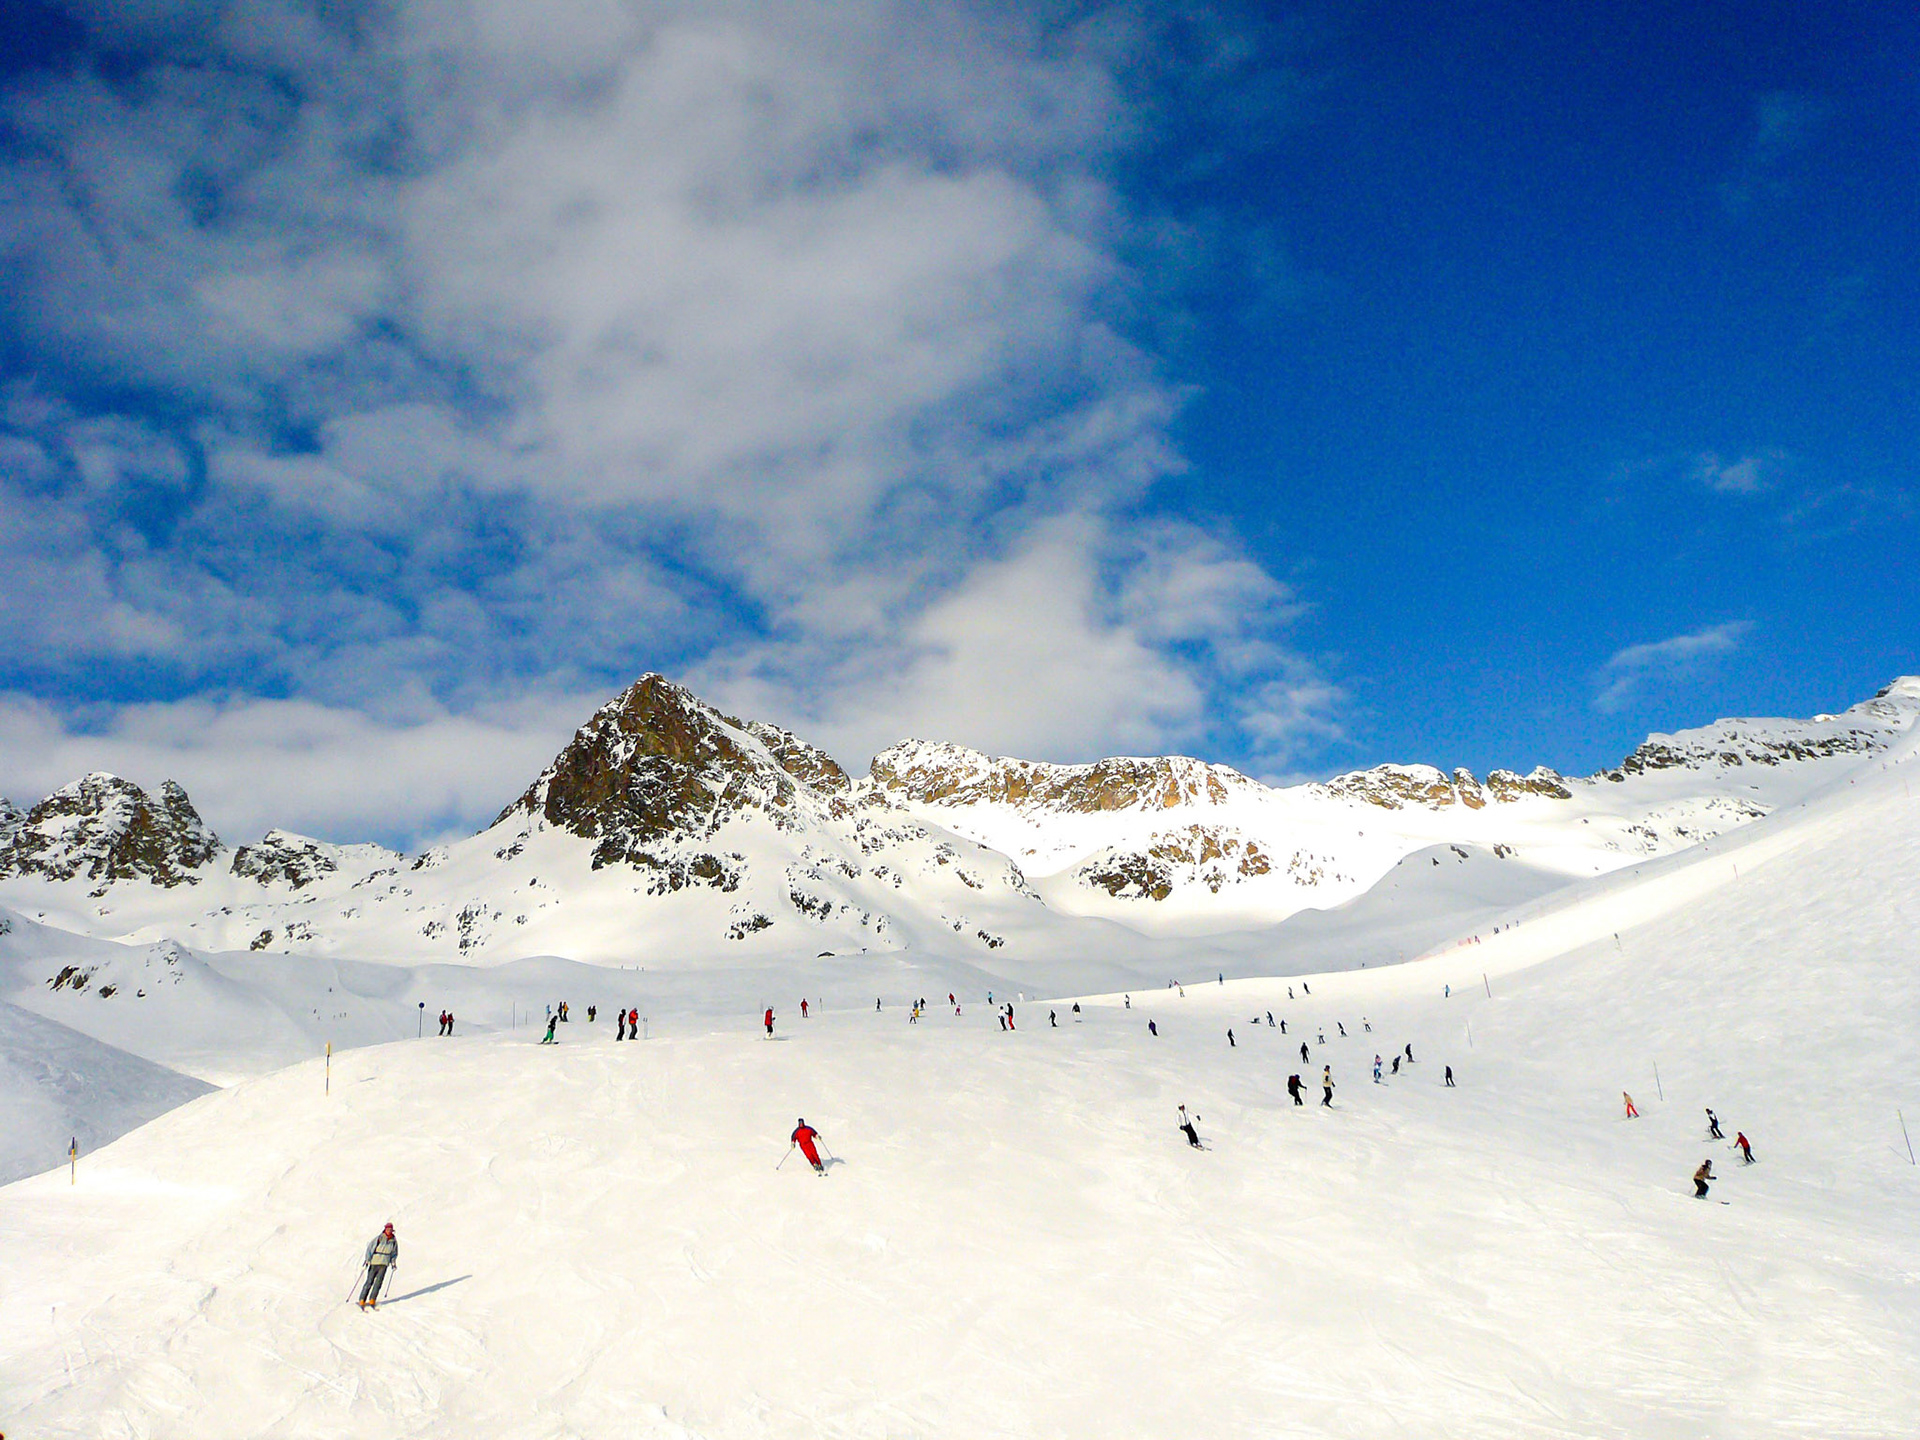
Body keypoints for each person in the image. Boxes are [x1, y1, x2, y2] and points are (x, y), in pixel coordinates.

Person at [359, 1223, 398, 1309]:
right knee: (369, 1281)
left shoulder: (393, 1241)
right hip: (375, 1262)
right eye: (388, 1229)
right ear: (385, 1229)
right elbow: (370, 1248)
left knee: (378, 1282)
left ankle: (372, 1299)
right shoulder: (379, 1238)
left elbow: (394, 1253)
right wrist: (367, 1259)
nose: (389, 1231)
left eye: (390, 1229)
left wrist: (393, 1262)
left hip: (384, 1263)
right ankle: (362, 1299)